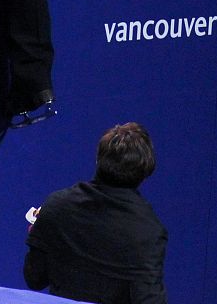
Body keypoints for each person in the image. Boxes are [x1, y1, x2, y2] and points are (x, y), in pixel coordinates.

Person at [24, 122, 168, 303]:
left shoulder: (56, 206)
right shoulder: (150, 233)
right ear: (146, 171)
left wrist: (40, 236)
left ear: (98, 160)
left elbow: (34, 279)